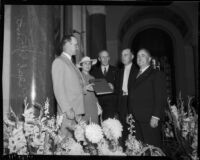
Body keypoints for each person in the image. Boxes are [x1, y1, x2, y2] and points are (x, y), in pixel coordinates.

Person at [51, 34, 93, 138]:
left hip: (76, 111)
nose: (77, 47)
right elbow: (58, 88)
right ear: (66, 45)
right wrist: (67, 109)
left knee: (74, 147)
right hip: (68, 112)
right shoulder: (59, 61)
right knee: (65, 145)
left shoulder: (71, 62)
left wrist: (84, 88)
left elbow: (71, 85)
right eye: (75, 44)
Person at [128, 48, 167, 148]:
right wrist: (130, 113)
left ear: (149, 59)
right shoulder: (133, 75)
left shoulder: (156, 74)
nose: (139, 58)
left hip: (149, 119)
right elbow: (132, 96)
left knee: (152, 147)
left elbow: (160, 97)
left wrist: (156, 116)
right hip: (135, 119)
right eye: (138, 56)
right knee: (140, 148)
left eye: (143, 55)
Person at [115, 48, 138, 150]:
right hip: (122, 103)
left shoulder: (137, 70)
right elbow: (117, 89)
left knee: (133, 129)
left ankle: (135, 150)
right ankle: (125, 150)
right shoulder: (119, 71)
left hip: (133, 102)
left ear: (132, 57)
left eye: (126, 54)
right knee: (124, 130)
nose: (123, 57)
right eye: (122, 55)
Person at [90, 50, 118, 120]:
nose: (105, 59)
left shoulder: (117, 70)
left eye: (107, 57)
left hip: (111, 104)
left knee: (108, 125)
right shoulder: (93, 71)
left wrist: (114, 87)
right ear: (99, 59)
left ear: (109, 58)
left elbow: (121, 87)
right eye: (103, 57)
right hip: (97, 103)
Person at [77, 56, 102, 124]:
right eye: (85, 63)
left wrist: (98, 104)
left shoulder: (92, 77)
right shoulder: (78, 76)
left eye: (89, 63)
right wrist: (84, 88)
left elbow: (95, 93)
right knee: (84, 129)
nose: (88, 65)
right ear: (81, 65)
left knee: (94, 129)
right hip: (83, 106)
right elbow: (75, 92)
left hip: (93, 106)